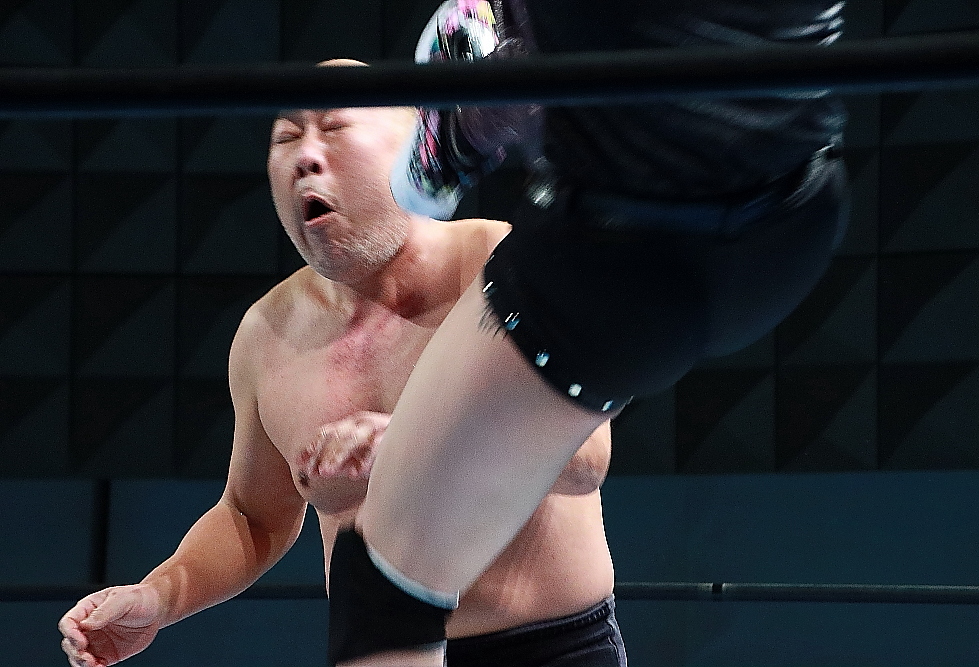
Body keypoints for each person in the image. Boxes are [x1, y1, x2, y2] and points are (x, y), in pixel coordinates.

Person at [325, 1, 853, 664]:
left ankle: (473, 116)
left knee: (382, 596)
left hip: (619, 260)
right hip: (793, 228)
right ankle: (482, 103)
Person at [57, 60, 625, 667]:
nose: (305, 155)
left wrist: (412, 443)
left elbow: (585, 458)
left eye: (334, 128)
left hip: (554, 648)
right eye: (285, 137)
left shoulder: (498, 264)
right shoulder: (267, 335)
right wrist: (159, 597)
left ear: (411, 149)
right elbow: (252, 516)